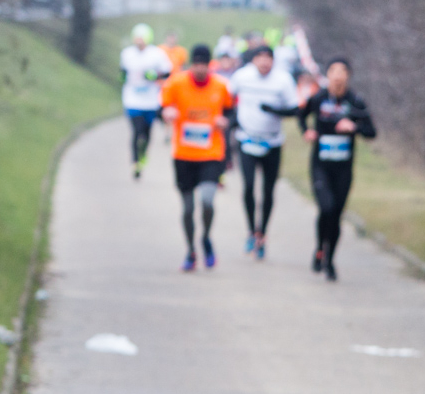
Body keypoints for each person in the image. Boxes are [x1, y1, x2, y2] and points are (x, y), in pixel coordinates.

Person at [298, 58, 375, 282]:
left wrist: (354, 127)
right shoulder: (319, 98)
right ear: (328, 74)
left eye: (343, 72)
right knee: (326, 208)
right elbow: (301, 114)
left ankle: (330, 260)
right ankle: (319, 249)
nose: (338, 76)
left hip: (343, 168)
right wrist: (307, 131)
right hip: (320, 165)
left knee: (336, 215)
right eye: (333, 71)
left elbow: (371, 131)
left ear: (348, 76)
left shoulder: (355, 101)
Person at [160, 44, 235, 272]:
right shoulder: (176, 83)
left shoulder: (221, 86)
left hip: (211, 153)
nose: (200, 69)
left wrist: (226, 121)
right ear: (191, 64)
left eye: (204, 64)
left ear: (209, 65)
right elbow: (162, 107)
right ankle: (191, 249)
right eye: (197, 64)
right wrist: (166, 113)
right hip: (183, 154)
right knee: (187, 208)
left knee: (208, 201)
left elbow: (231, 111)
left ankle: (206, 238)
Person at [229, 44, 299, 258]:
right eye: (259, 57)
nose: (264, 62)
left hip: (272, 143)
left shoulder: (283, 80)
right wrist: (232, 121)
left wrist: (275, 110)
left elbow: (295, 109)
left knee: (268, 190)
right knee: (249, 186)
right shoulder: (242, 77)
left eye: (268, 57)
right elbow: (226, 100)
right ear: (253, 60)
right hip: (247, 139)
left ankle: (263, 233)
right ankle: (251, 231)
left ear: (273, 60)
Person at [119, 23, 171, 179]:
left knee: (147, 133)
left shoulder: (157, 54)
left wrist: (154, 76)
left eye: (142, 37)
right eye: (137, 37)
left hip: (150, 100)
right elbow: (122, 73)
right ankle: (135, 162)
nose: (139, 40)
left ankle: (143, 155)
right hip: (132, 100)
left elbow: (167, 73)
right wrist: (124, 79)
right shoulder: (127, 54)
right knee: (137, 131)